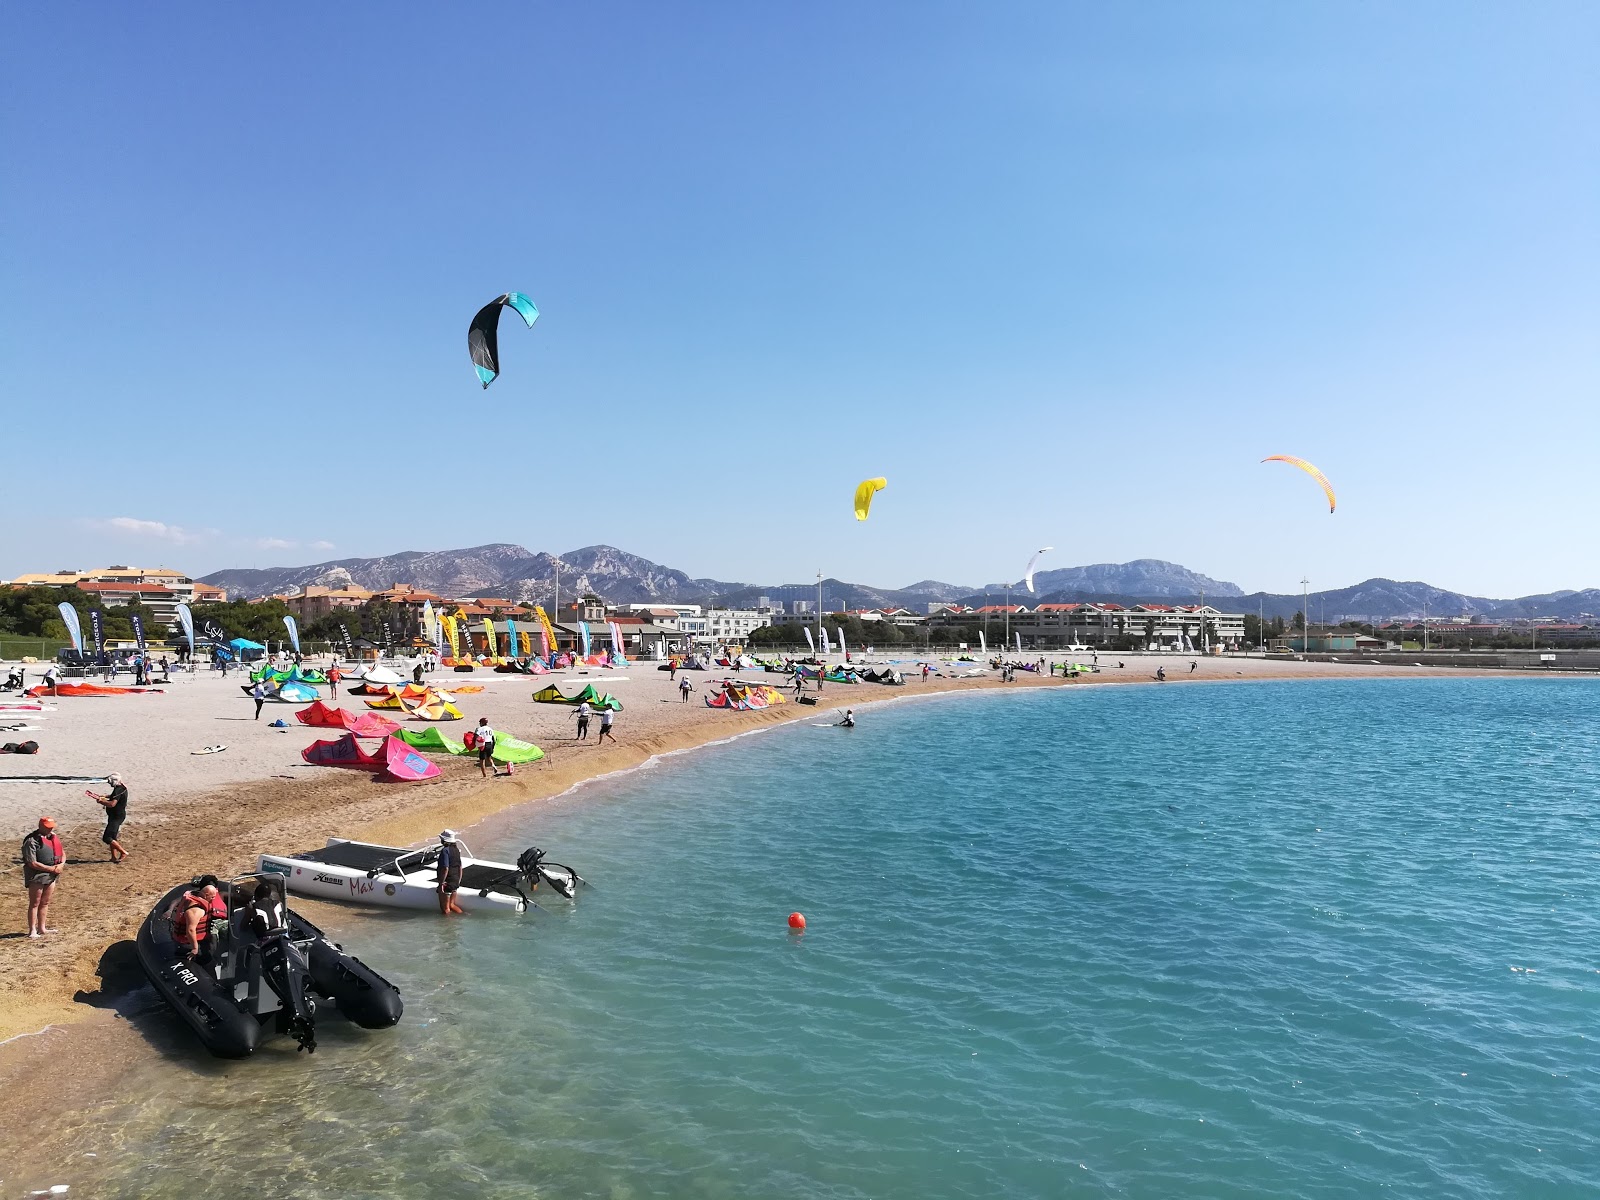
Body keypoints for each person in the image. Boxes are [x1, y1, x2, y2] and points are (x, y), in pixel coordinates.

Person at [23, 817, 64, 938]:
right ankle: (32, 930)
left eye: (51, 827)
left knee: (45, 902)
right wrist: (51, 869)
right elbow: (32, 863)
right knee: (35, 903)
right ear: (41, 826)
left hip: (51, 875)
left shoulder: (53, 838)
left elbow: (62, 852)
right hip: (37, 876)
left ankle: (42, 928)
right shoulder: (31, 841)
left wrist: (61, 865)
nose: (51, 829)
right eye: (48, 827)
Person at [171, 875, 225, 965]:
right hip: (189, 944)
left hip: (197, 941)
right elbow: (190, 930)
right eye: (212, 897)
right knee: (208, 965)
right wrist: (195, 948)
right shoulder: (196, 910)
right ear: (206, 895)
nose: (213, 899)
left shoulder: (194, 899)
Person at [90, 773, 130, 863]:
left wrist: (101, 801)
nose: (109, 783)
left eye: (110, 781)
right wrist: (104, 796)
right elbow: (115, 796)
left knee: (107, 838)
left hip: (116, 817)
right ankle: (113, 857)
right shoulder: (122, 788)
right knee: (113, 837)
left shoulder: (118, 789)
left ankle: (123, 852)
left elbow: (112, 804)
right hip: (116, 816)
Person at [436, 830, 465, 915]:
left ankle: (448, 927)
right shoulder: (456, 850)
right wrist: (458, 881)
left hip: (447, 882)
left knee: (445, 909)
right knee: (451, 905)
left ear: (444, 840)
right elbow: (460, 867)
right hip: (455, 880)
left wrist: (441, 883)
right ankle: (464, 915)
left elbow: (445, 868)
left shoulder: (445, 851)